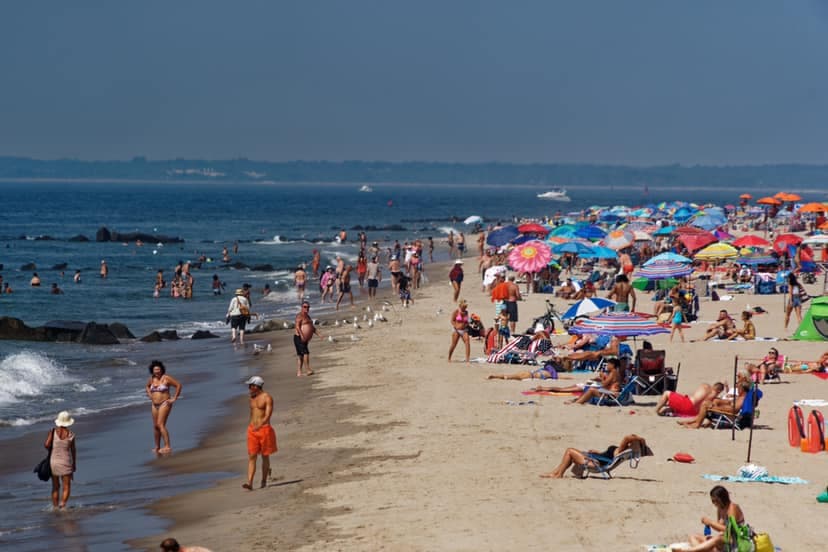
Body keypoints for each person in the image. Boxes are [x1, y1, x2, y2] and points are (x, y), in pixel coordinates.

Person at [539, 434, 649, 479]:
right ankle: (555, 473)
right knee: (573, 452)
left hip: (596, 464)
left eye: (632, 444)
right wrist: (599, 452)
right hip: (598, 460)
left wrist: (640, 440)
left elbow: (629, 437)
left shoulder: (620, 450)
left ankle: (558, 474)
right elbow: (607, 457)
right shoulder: (619, 452)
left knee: (569, 451)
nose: (630, 444)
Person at [684, 485, 747, 551]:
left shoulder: (732, 508)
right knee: (693, 537)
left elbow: (729, 530)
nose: (714, 503)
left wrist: (711, 522)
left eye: (715, 501)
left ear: (722, 498)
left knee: (716, 540)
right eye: (712, 501)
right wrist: (709, 524)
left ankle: (690, 550)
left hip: (735, 540)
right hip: (724, 539)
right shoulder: (720, 508)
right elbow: (720, 528)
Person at [243, 376, 276, 491]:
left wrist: (260, 424)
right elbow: (252, 414)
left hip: (264, 429)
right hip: (252, 430)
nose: (249, 388)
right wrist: (252, 426)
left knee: (265, 456)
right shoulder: (251, 398)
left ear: (256, 386)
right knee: (252, 456)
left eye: (250, 386)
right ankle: (249, 483)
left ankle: (263, 480)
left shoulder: (267, 397)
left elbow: (268, 415)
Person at [146, 360, 182, 454]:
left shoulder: (166, 378)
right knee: (155, 426)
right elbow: (147, 386)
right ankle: (157, 446)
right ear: (152, 371)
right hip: (154, 405)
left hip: (164, 403)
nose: (157, 371)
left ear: (162, 370)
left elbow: (178, 385)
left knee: (160, 424)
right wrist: (149, 394)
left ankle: (167, 446)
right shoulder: (151, 379)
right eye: (155, 369)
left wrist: (174, 398)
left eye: (158, 369)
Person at [678, 381, 750, 428]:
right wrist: (723, 401)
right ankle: (694, 421)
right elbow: (731, 404)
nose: (737, 389)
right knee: (711, 402)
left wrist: (716, 408)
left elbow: (733, 410)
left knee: (706, 404)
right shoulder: (741, 397)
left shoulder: (742, 399)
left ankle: (697, 424)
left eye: (739, 388)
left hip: (728, 415)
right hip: (725, 411)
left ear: (742, 389)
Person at [45, 411, 76, 509]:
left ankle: (55, 507)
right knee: (66, 486)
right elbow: (73, 450)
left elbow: (46, 445)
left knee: (55, 486)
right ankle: (62, 505)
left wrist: (53, 448)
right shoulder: (71, 435)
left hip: (53, 462)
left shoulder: (53, 431)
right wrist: (74, 463)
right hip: (65, 462)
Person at [655, 382, 723, 417]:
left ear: (714, 386)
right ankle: (668, 410)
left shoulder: (707, 387)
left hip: (688, 404)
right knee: (670, 408)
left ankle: (657, 411)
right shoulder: (715, 397)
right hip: (694, 413)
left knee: (666, 393)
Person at [294, 300, 322, 376]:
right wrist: (302, 335)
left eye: (308, 307)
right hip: (299, 337)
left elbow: (312, 327)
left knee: (301, 355)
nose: (307, 308)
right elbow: (297, 327)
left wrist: (318, 334)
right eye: (305, 307)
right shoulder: (299, 316)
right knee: (306, 353)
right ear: (302, 307)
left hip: (304, 339)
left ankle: (299, 372)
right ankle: (308, 370)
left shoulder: (308, 316)